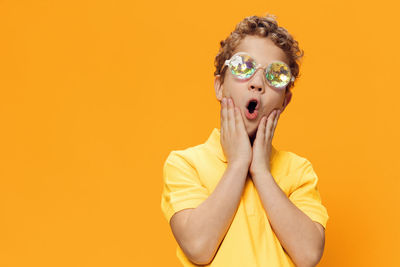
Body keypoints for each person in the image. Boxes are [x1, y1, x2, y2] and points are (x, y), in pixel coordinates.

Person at [160, 13, 329, 267]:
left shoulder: (298, 171)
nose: (258, 84)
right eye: (243, 67)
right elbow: (198, 247)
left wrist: (261, 170)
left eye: (276, 75)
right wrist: (238, 163)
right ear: (219, 86)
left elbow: (308, 255)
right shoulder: (185, 163)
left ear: (285, 101)